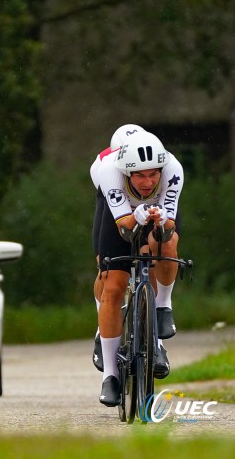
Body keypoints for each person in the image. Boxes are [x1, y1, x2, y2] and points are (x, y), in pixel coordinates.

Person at [92, 131, 184, 406]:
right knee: (113, 284)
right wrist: (137, 215)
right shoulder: (107, 170)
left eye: (153, 174)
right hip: (118, 215)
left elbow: (169, 228)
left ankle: (162, 307)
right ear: (126, 172)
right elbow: (123, 227)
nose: (148, 182)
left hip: (157, 212)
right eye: (139, 175)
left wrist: (162, 218)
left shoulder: (173, 169)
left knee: (166, 245)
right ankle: (111, 377)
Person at [88, 124, 146, 371]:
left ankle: (153, 322)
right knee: (106, 264)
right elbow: (109, 207)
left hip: (146, 203)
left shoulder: (151, 158)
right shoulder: (103, 165)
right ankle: (104, 327)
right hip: (114, 204)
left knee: (153, 255)